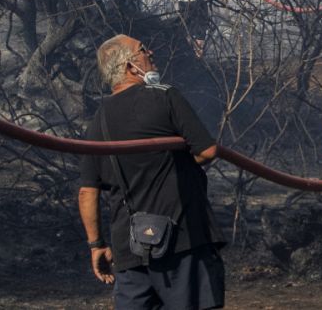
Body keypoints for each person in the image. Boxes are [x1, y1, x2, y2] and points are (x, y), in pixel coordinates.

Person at [78, 35, 226, 309]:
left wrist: (96, 245)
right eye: (143, 50)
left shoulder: (98, 121)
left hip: (130, 250)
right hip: (183, 243)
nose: (151, 52)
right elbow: (207, 150)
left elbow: (88, 191)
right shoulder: (165, 96)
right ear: (131, 66)